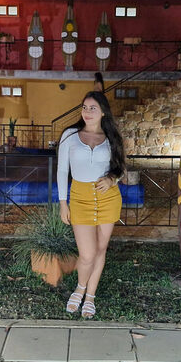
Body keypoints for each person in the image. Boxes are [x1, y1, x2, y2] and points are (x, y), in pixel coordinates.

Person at [57, 91, 125, 318]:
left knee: (100, 250)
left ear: (103, 111)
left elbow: (120, 168)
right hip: (80, 198)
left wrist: (112, 179)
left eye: (93, 108)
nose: (87, 112)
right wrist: (63, 203)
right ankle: (80, 288)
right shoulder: (70, 135)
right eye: (85, 107)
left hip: (108, 198)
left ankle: (90, 297)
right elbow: (62, 171)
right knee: (87, 254)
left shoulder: (111, 136)